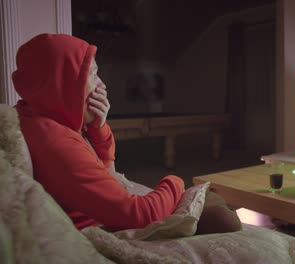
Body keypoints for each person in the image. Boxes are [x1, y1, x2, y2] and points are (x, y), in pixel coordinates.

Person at [12, 33, 241, 233]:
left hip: (105, 214)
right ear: (62, 83)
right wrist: (176, 180)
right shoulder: (55, 140)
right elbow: (139, 215)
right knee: (224, 218)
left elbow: (107, 169)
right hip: (103, 230)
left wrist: (98, 127)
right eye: (92, 75)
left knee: (220, 210)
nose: (102, 85)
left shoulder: (38, 116)